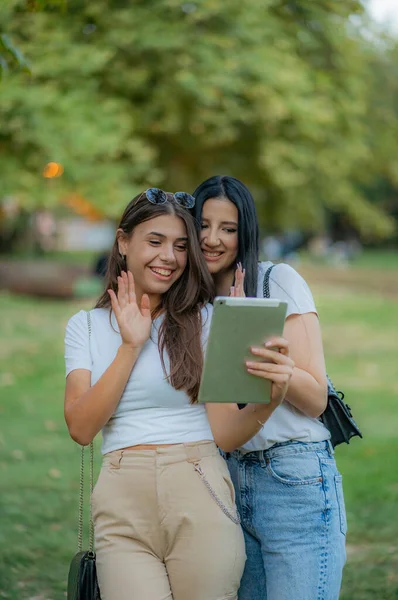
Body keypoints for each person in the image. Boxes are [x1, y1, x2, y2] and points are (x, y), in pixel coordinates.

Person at [64, 188, 294, 600]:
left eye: (181, 246)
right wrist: (130, 346)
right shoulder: (85, 326)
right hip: (122, 500)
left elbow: (225, 433)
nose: (168, 257)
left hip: (199, 486)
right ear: (123, 242)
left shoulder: (206, 321)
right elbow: (81, 427)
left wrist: (270, 401)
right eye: (155, 241)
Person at [192, 175, 347, 600]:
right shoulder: (193, 305)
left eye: (227, 228)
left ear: (245, 234)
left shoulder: (277, 282)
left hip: (292, 478)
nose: (212, 239)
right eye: (203, 225)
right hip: (225, 482)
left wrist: (269, 359)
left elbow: (316, 398)